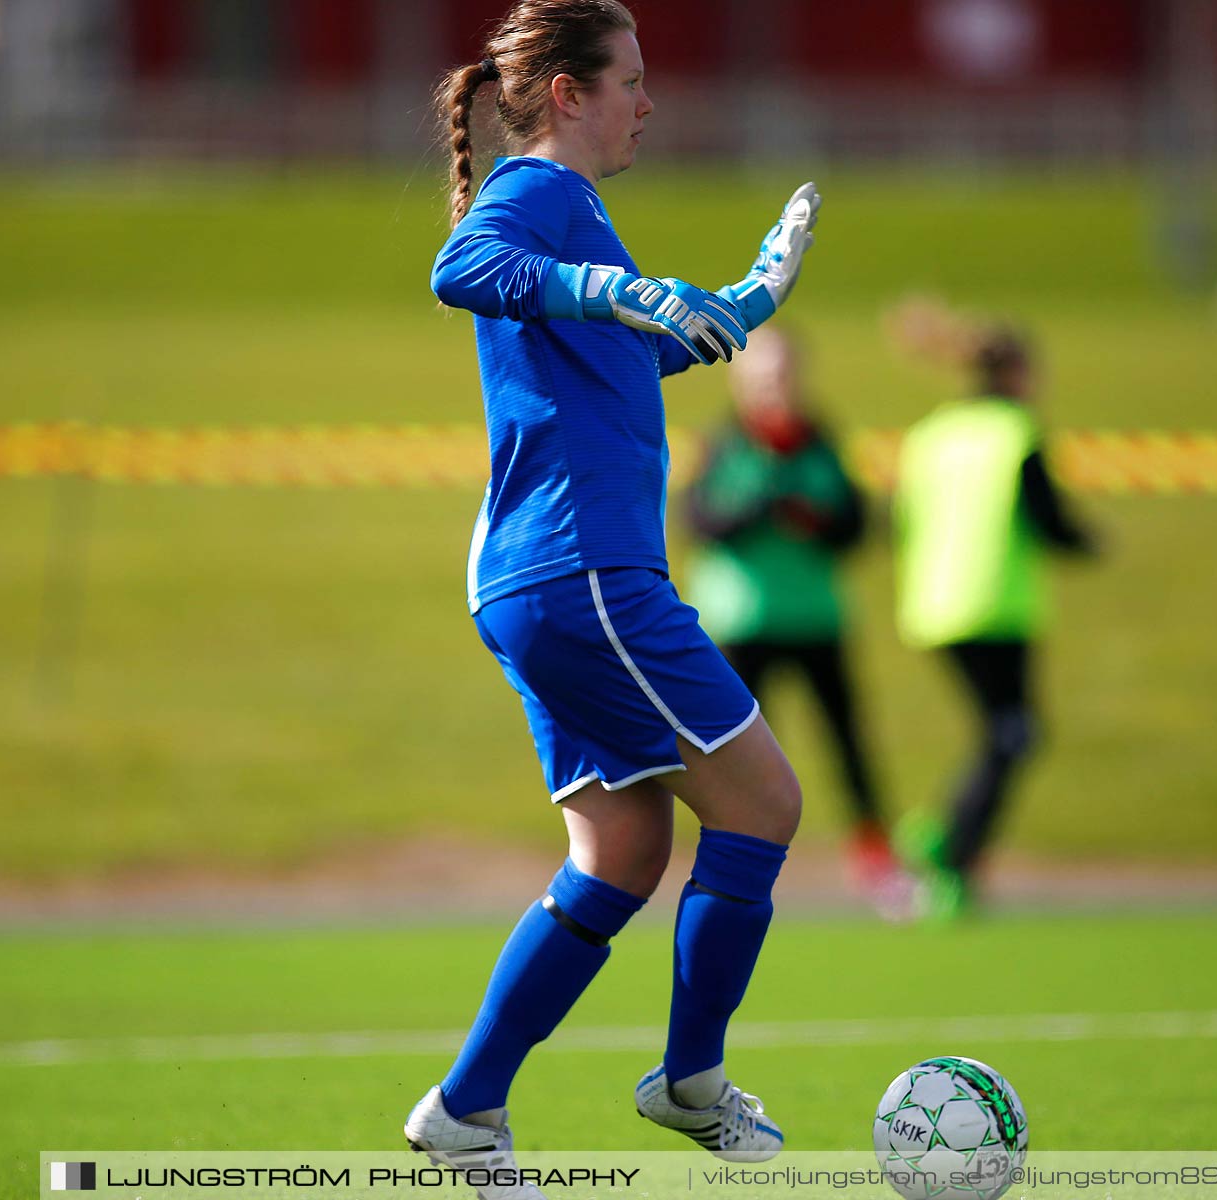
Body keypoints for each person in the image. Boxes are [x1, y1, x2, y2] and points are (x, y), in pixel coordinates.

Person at [408, 3, 823, 1193]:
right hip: (583, 569)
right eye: (630, 81)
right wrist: (612, 289)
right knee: (764, 807)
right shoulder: (540, 194)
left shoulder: (579, 215)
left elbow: (619, 344)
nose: (649, 102)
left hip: (541, 578)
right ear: (565, 95)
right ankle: (691, 1084)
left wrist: (736, 305)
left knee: (626, 847)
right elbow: (462, 270)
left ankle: (466, 1111)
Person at [683, 327, 915, 920]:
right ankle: (727, 872)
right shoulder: (724, 444)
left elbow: (856, 528)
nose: (773, 386)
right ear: (741, 380)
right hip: (741, 623)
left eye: (783, 373)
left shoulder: (821, 442)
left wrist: (813, 519)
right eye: (762, 375)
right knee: (731, 760)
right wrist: (759, 507)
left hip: (815, 618)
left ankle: (877, 863)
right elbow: (699, 521)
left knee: (848, 746)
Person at [890, 309, 1097, 921]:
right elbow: (1049, 520)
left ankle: (944, 836)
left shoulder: (934, 432)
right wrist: (1090, 543)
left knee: (1000, 733)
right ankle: (950, 853)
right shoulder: (1015, 432)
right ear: (1016, 372)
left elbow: (900, 517)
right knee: (1013, 734)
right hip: (994, 605)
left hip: (931, 606)